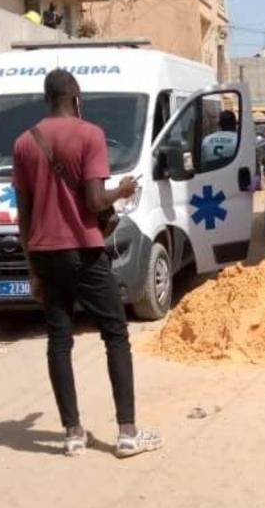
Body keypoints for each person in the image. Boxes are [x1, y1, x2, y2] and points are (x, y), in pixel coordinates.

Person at [12, 69, 163, 459]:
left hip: (44, 252)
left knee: (59, 340)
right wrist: (124, 189)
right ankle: (127, 432)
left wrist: (31, 268)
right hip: (84, 249)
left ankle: (72, 433)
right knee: (115, 333)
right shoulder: (90, 135)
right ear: (76, 97)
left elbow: (23, 215)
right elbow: (96, 201)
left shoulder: (24, 143)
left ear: (47, 99)